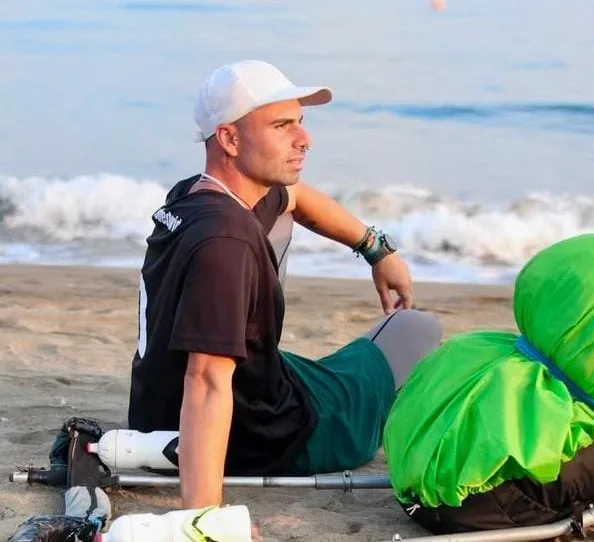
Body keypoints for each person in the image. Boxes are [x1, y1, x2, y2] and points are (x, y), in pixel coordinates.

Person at [126, 59, 443, 510]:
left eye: (301, 123)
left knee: (282, 219)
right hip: (275, 432)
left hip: (156, 415)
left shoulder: (194, 197)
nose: (305, 139)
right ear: (229, 138)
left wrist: (377, 249)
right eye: (281, 126)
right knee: (417, 328)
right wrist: (205, 519)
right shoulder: (227, 241)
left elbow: (295, 197)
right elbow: (208, 381)